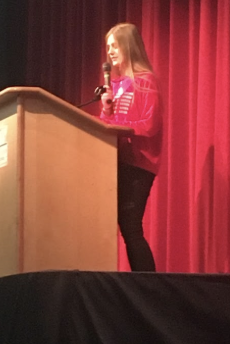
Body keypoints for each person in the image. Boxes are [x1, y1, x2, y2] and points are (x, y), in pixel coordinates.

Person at [99, 22, 163, 272]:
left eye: (115, 45)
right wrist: (105, 109)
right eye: (108, 47)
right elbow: (108, 125)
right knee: (124, 225)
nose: (111, 52)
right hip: (118, 160)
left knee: (130, 225)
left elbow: (149, 125)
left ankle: (148, 283)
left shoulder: (146, 81)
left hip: (139, 163)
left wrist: (118, 123)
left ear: (129, 46)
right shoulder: (115, 85)